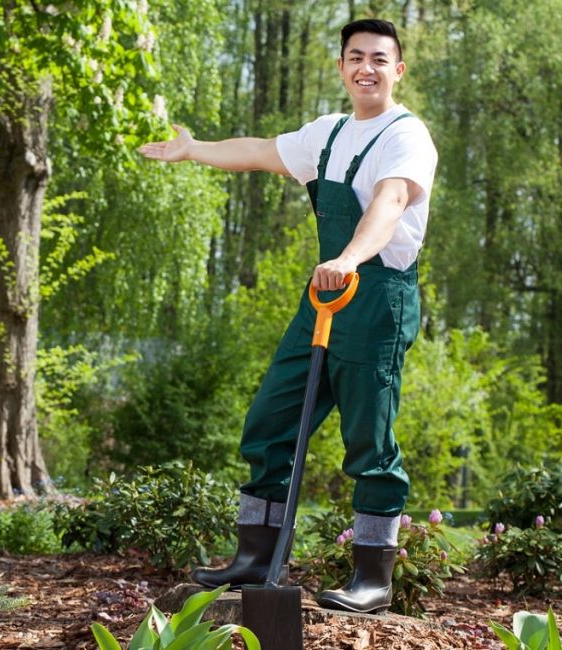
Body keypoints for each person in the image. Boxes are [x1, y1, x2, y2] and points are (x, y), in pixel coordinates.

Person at [137, 18, 437, 614]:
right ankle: (255, 556)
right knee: (270, 418)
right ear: (341, 67)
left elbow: (391, 201)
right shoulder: (327, 134)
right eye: (356, 57)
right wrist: (193, 149)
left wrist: (348, 259)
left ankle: (374, 577)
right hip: (324, 295)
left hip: (376, 297)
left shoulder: (408, 137)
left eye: (380, 59)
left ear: (397, 70)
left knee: (368, 438)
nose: (366, 68)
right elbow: (258, 151)